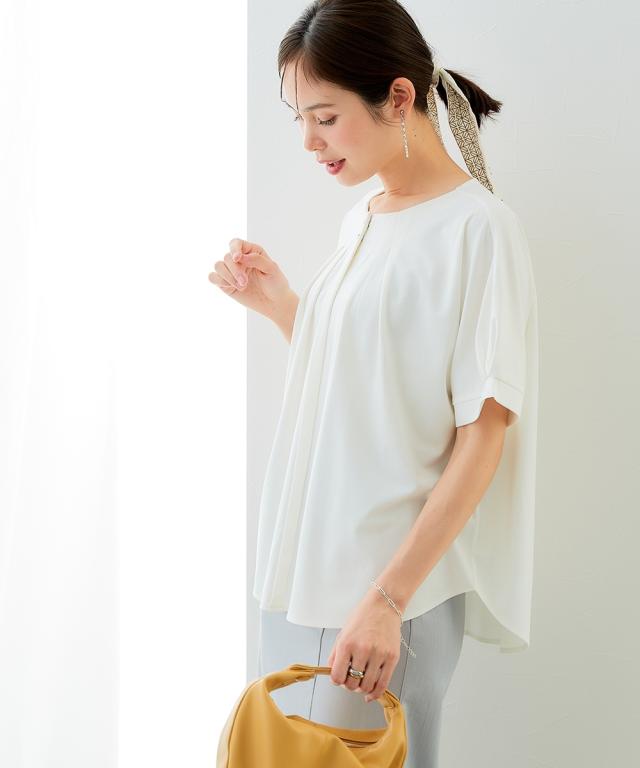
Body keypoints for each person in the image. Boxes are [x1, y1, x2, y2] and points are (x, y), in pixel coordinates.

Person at [208, 1, 539, 765]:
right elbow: (365, 390)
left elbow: (483, 438)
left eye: (324, 117)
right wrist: (283, 306)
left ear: (397, 97)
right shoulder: (364, 216)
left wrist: (388, 600)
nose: (308, 141)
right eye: (299, 119)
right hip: (306, 571)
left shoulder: (478, 230)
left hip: (386, 587)